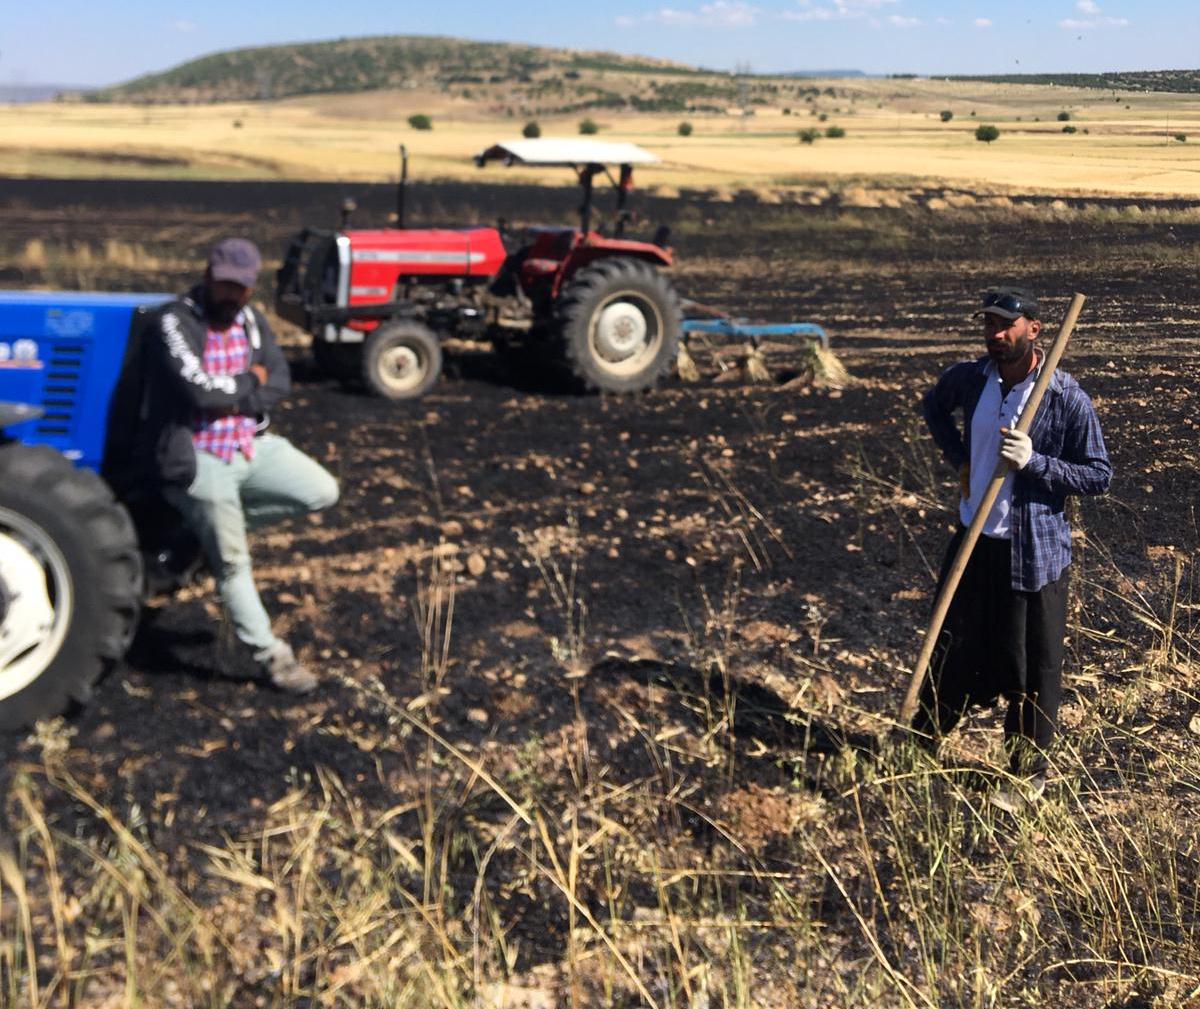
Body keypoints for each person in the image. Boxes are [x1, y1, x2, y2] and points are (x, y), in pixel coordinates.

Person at [916, 287, 1111, 811]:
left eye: (1007, 324)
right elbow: (933, 405)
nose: (996, 334)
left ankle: (1027, 778)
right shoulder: (971, 377)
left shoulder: (1064, 396)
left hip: (1033, 554)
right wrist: (961, 457)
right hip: (973, 541)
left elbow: (1098, 475)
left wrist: (1036, 462)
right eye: (989, 324)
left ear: (1034, 330)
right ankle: (920, 745)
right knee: (951, 646)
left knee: (1032, 666)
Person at [146, 238, 339, 693]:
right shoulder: (174, 320)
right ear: (209, 275)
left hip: (250, 443)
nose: (230, 295)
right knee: (234, 563)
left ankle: (202, 536)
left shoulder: (252, 321)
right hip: (197, 451)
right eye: (224, 284)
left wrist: (234, 391)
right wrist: (251, 381)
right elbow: (200, 393)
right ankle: (272, 656)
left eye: (240, 287)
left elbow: (281, 380)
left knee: (322, 491)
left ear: (251, 288)